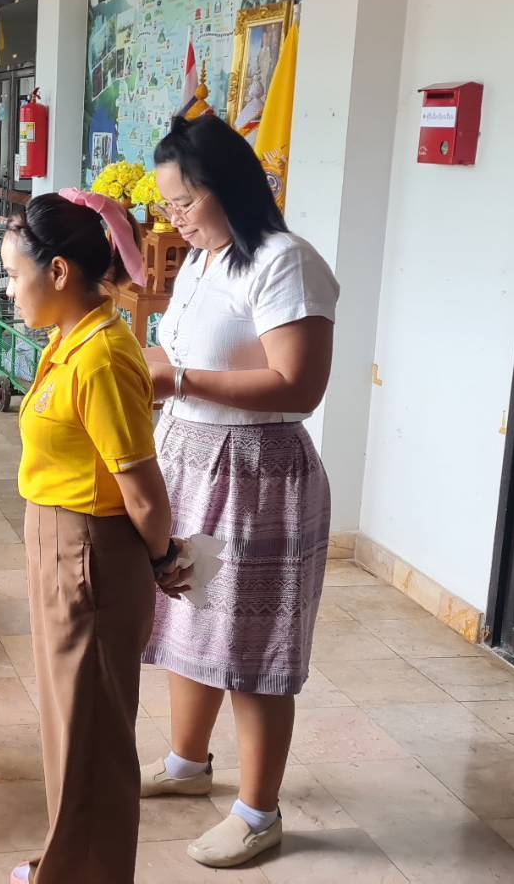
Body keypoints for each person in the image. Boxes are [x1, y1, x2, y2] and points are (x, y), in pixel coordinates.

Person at [139, 111, 339, 868]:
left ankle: (259, 812)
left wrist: (179, 379)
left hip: (259, 473)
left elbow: (300, 383)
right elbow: (175, 345)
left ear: (228, 189)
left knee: (251, 642)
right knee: (189, 613)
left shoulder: (285, 262)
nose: (175, 219)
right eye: (168, 206)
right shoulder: (203, 260)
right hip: (191, 459)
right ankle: (189, 763)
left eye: (184, 203)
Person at [0, 190, 189, 884]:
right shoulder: (68, 341)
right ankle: (66, 863)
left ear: (57, 274)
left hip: (90, 559)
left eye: (15, 274)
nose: (8, 288)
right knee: (69, 726)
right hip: (62, 550)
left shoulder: (103, 357)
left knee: (94, 737)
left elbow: (142, 488)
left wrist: (165, 557)